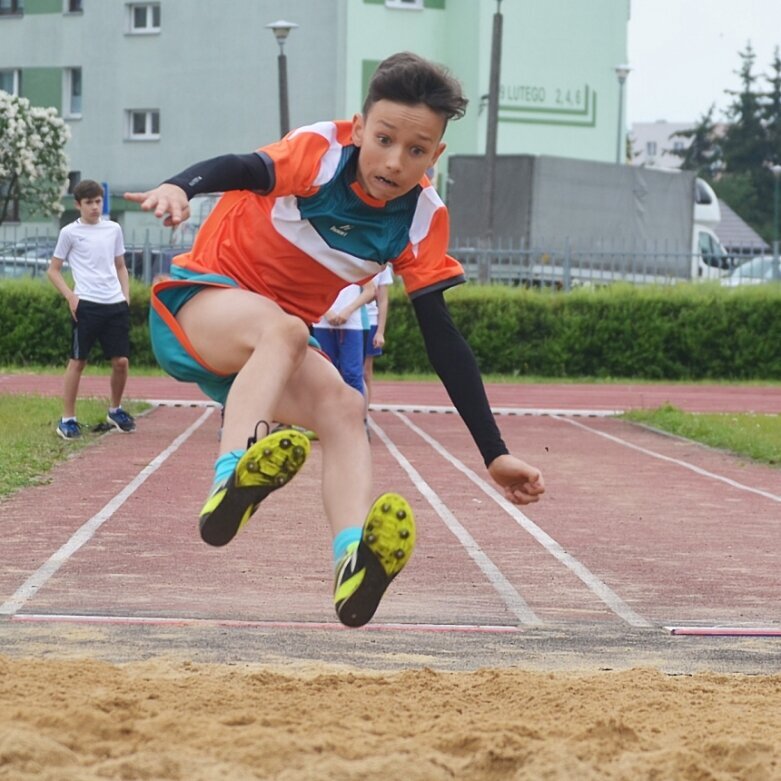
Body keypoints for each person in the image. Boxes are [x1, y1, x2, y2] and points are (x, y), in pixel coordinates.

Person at [123, 51, 545, 629]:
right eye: (384, 139)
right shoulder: (320, 153)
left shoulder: (421, 218)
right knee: (286, 328)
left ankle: (351, 561)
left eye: (416, 151)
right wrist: (179, 185)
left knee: (348, 406)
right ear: (359, 126)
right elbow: (241, 167)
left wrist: (493, 452)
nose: (395, 162)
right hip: (200, 306)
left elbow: (442, 337)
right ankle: (230, 479)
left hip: (277, 353)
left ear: (436, 155)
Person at [47, 179, 136, 439]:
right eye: (89, 203)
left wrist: (125, 296)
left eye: (98, 201)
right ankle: (67, 419)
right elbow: (53, 270)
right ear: (78, 205)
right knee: (78, 361)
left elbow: (120, 265)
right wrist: (71, 297)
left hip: (114, 304)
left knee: (121, 361)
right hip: (86, 304)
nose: (95, 207)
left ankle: (115, 410)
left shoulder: (113, 229)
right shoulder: (69, 233)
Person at [313, 281, 377, 396]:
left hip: (352, 324)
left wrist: (349, 310)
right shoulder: (320, 262)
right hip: (322, 323)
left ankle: (355, 413)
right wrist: (326, 311)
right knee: (325, 376)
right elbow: (309, 288)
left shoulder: (358, 262)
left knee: (352, 375)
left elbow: (370, 290)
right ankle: (327, 413)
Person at [363, 265, 394, 404]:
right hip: (345, 318)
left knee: (365, 372)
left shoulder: (382, 264)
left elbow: (383, 299)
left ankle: (364, 413)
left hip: (369, 320)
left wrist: (380, 332)